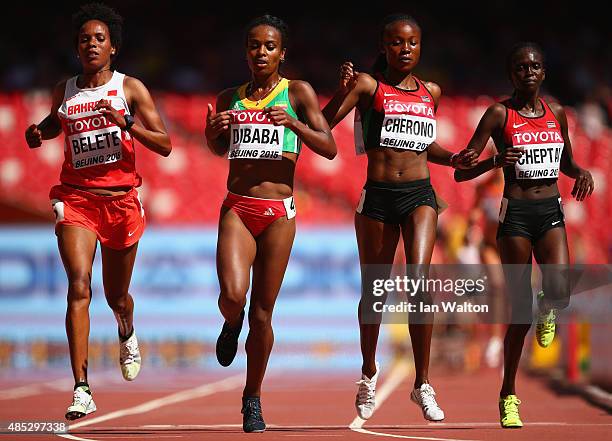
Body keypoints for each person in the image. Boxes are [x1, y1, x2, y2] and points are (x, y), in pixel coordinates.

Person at [322, 13, 475, 422]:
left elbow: (426, 147)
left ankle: (422, 383)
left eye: (411, 43)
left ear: (421, 47)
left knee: (420, 283)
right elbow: (322, 125)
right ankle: (369, 373)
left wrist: (455, 156)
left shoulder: (432, 92)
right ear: (384, 46)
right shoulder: (369, 86)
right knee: (375, 291)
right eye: (395, 43)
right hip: (378, 197)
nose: (404, 49)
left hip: (420, 195)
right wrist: (342, 92)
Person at [24, 3, 172, 420]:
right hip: (76, 200)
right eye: (84, 39)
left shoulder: (131, 89)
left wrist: (126, 123)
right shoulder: (65, 89)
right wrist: (39, 132)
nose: (91, 43)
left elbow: (164, 144)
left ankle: (126, 328)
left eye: (99, 38)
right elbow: (55, 122)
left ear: (113, 48)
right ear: (77, 48)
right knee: (79, 286)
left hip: (121, 201)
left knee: (116, 296)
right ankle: (82, 388)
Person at [204, 15, 336, 433]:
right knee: (232, 295)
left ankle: (252, 398)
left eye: (269, 46)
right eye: (254, 46)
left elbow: (329, 147)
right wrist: (213, 132)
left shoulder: (297, 93)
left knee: (262, 315)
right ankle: (229, 321)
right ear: (246, 51)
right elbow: (218, 147)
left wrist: (293, 123)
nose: (261, 52)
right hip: (238, 208)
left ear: (282, 53)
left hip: (279, 214)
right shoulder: (230, 96)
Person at [454, 42, 594, 428]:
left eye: (534, 67)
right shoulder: (499, 114)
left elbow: (566, 162)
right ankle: (508, 394)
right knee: (518, 315)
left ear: (543, 72)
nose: (528, 72)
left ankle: (548, 306)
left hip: (550, 211)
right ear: (511, 74)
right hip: (514, 216)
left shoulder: (557, 113)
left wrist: (581, 171)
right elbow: (461, 172)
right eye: (520, 67)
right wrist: (495, 160)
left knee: (560, 288)